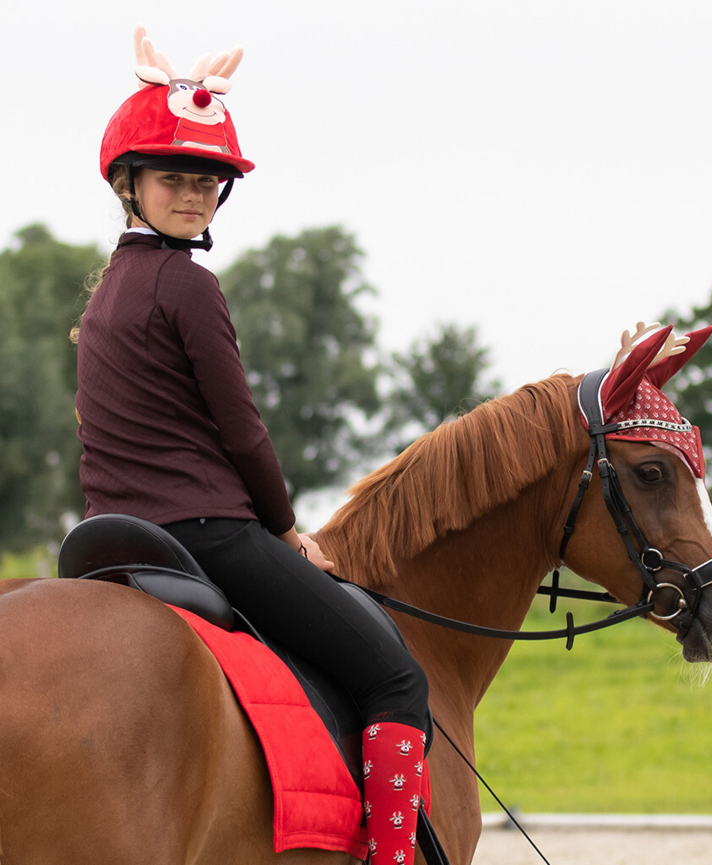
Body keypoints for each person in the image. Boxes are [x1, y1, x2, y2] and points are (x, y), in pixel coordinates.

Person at [72, 28, 428, 865]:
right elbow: (240, 429)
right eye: (174, 179)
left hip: (114, 535)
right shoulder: (189, 285)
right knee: (395, 677)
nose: (193, 195)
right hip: (208, 532)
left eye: (206, 181)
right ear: (129, 184)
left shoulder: (105, 296)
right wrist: (285, 528)